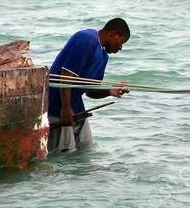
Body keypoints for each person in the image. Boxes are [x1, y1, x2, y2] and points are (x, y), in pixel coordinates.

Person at [47, 18, 130, 152]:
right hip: (58, 106)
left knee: (87, 151)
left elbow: (90, 91)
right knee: (63, 154)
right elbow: (66, 75)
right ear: (114, 34)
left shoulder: (103, 57)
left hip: (77, 108)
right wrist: (66, 109)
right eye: (121, 41)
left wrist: (110, 91)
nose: (120, 47)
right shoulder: (87, 39)